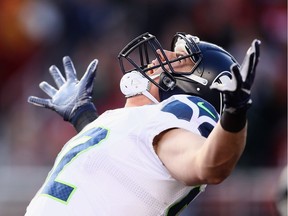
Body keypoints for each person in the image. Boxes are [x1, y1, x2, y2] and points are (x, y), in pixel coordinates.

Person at [25, 32, 260, 216]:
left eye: (179, 58)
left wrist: (234, 113)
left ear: (194, 87)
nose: (162, 55)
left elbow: (209, 165)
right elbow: (123, 161)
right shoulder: (144, 124)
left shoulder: (180, 116)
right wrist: (83, 116)